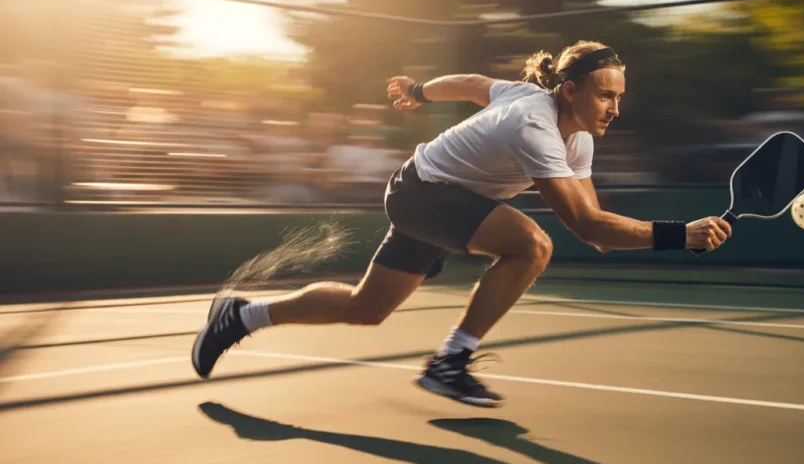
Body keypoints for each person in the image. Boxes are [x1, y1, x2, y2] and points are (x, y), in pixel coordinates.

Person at [190, 40, 732, 407]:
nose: (616, 107)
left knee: (366, 308)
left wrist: (422, 90)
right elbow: (588, 228)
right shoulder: (534, 125)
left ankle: (240, 315)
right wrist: (680, 234)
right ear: (571, 91)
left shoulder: (573, 132)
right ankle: (451, 361)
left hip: (440, 197)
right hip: (426, 194)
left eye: (619, 96)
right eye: (605, 95)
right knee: (531, 245)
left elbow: (473, 83)